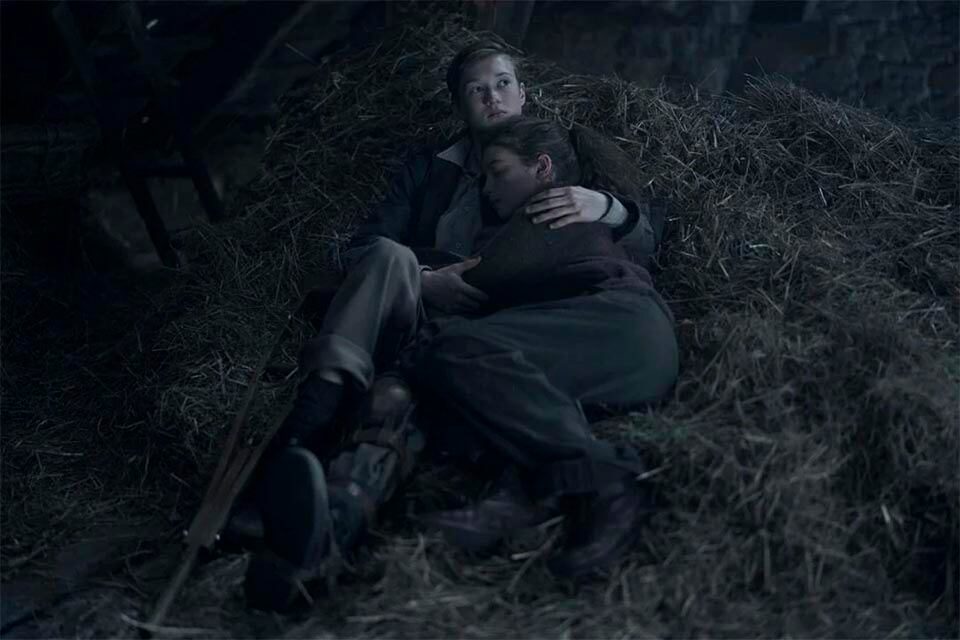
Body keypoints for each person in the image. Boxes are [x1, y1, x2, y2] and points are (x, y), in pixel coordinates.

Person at [239, 39, 675, 612]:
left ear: (524, 93)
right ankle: (322, 484)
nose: (493, 97)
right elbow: (364, 248)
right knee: (398, 283)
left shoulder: (563, 160)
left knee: (417, 382)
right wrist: (428, 282)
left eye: (503, 83)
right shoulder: (431, 168)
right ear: (459, 104)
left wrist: (608, 207)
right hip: (444, 303)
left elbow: (646, 235)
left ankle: (351, 506)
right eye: (477, 89)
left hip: (518, 318)